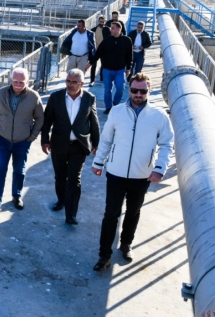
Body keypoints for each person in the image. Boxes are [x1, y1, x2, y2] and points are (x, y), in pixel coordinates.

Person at [91, 73, 174, 271]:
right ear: (129, 90)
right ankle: (104, 255)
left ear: (149, 91)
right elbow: (106, 140)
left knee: (133, 212)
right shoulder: (117, 112)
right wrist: (98, 162)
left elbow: (167, 144)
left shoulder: (159, 117)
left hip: (142, 175)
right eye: (135, 90)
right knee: (111, 214)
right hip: (116, 173)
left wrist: (159, 169)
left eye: (142, 91)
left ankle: (126, 244)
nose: (138, 94)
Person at [41, 69, 100, 225]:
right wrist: (44, 140)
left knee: (74, 179)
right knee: (60, 177)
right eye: (68, 81)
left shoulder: (89, 99)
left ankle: (71, 214)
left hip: (79, 146)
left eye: (74, 82)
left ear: (82, 83)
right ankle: (61, 200)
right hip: (59, 144)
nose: (70, 85)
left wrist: (96, 143)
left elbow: (94, 122)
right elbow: (47, 121)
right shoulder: (56, 97)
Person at [0, 67, 44, 216]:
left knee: (19, 170)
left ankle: (16, 196)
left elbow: (39, 118)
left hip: (22, 141)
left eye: (21, 82)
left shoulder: (34, 97)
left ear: (28, 82)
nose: (18, 85)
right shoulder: (1, 93)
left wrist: (32, 137)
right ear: (11, 80)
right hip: (2, 139)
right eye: (15, 81)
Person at [85, 21, 132, 115]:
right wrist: (90, 63)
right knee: (107, 90)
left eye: (113, 28)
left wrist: (128, 68)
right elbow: (98, 53)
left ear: (119, 29)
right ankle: (108, 107)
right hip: (107, 70)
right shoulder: (107, 40)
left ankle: (115, 103)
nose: (111, 30)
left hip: (120, 70)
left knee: (120, 88)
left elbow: (129, 55)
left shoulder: (127, 40)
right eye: (111, 28)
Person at [89, 16, 110, 86]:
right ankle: (92, 80)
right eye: (100, 21)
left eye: (103, 22)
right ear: (98, 21)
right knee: (93, 65)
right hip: (95, 50)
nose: (101, 23)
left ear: (105, 22)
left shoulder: (107, 30)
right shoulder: (93, 29)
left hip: (104, 50)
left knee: (103, 65)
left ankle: (102, 78)